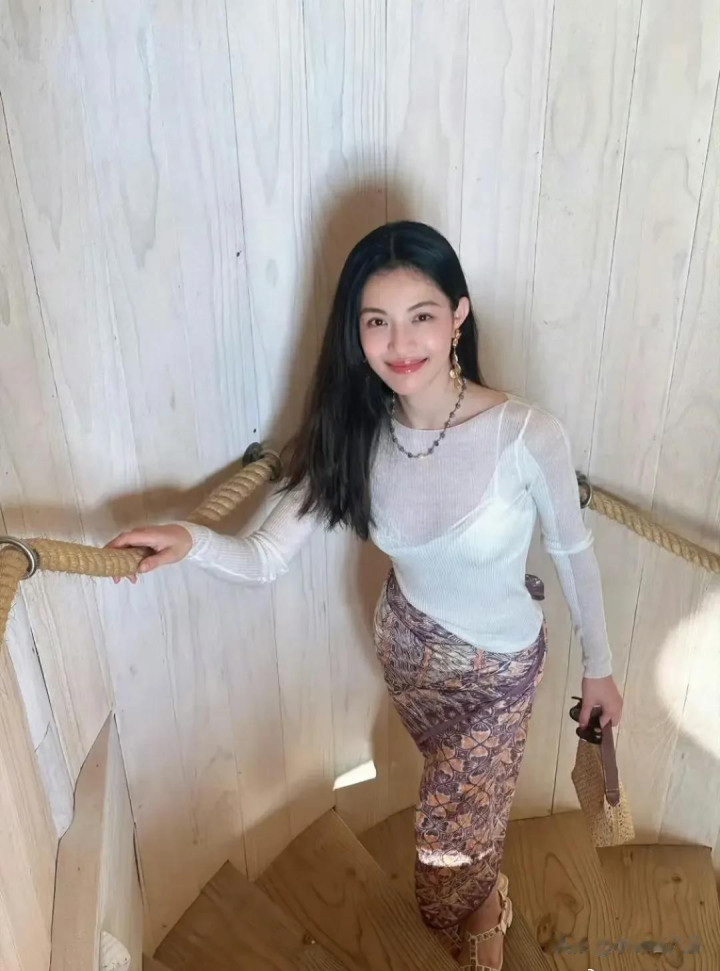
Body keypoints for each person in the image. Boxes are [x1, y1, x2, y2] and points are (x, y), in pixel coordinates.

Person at [106, 221, 623, 971]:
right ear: (355, 332)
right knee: (462, 806)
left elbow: (574, 554)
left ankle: (480, 909)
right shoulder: (354, 434)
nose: (400, 342)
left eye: (421, 315)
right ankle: (480, 895)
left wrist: (599, 668)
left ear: (459, 316)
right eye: (376, 321)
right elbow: (265, 557)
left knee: (444, 846)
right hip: (406, 647)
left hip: (497, 672)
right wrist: (192, 540)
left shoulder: (526, 435)